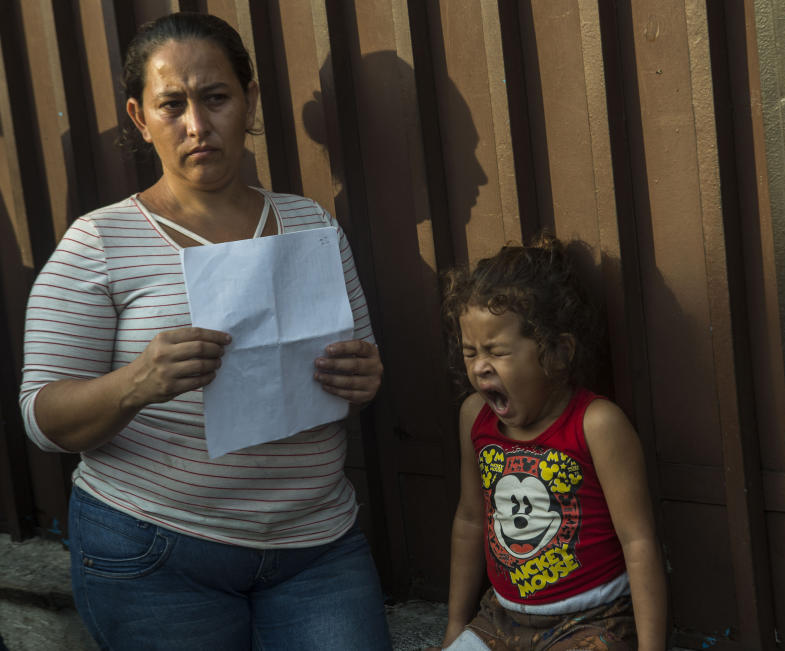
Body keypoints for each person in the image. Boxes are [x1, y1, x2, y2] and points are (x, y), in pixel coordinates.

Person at [18, 12, 391, 650]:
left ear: (248, 100)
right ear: (140, 118)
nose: (197, 125)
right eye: (172, 105)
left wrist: (364, 377)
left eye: (216, 97)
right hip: (157, 552)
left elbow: (358, 370)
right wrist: (136, 383)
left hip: (316, 546)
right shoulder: (100, 240)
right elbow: (40, 416)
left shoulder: (309, 225)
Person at [436, 236, 667, 650]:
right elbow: (471, 519)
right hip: (499, 619)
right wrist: (457, 624)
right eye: (470, 352)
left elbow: (639, 543)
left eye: (497, 351)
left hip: (590, 623)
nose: (479, 366)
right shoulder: (475, 416)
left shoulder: (596, 423)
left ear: (557, 353)